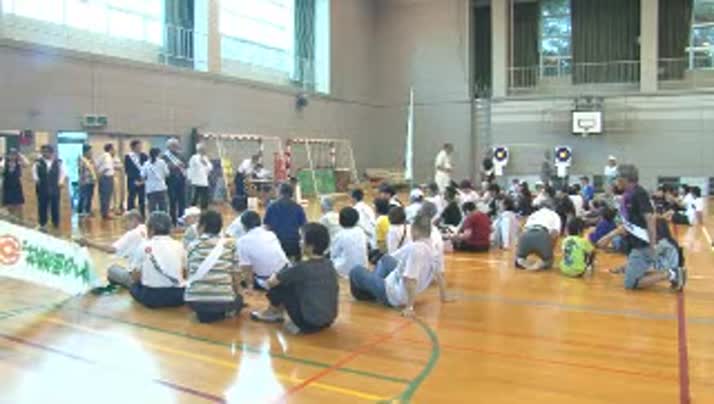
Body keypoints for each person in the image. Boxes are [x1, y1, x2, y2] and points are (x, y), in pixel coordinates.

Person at [349, 213, 453, 317]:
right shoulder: (435, 246)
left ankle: (369, 294)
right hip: (398, 283)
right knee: (386, 260)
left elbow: (410, 279)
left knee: (355, 270)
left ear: (415, 231)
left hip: (393, 296)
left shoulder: (416, 249)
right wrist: (444, 296)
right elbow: (440, 274)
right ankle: (374, 288)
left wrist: (409, 307)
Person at [251, 223, 339, 335]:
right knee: (289, 280)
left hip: (308, 323)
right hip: (328, 320)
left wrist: (275, 275)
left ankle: (273, 313)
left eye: (302, 239)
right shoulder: (329, 264)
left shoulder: (302, 267)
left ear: (310, 246)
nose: (299, 242)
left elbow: (271, 283)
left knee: (281, 283)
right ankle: (277, 312)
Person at [608, 164, 685, 291]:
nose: (616, 181)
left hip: (643, 243)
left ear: (625, 179)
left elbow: (650, 219)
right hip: (637, 243)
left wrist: (652, 245)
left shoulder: (639, 194)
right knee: (634, 272)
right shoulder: (630, 194)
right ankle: (669, 272)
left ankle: (672, 274)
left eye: (617, 178)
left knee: (630, 283)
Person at [106, 212, 186, 308]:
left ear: (151, 230)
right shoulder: (179, 245)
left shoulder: (144, 246)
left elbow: (135, 277)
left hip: (151, 297)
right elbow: (185, 273)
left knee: (115, 271)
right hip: (178, 296)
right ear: (170, 229)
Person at [184, 210, 244, 323]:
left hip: (195, 301)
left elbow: (188, 272)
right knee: (239, 298)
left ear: (202, 226)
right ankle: (227, 311)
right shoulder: (230, 245)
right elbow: (236, 275)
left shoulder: (192, 246)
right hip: (223, 301)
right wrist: (239, 293)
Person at [237, 211, 290, 290]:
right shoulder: (271, 234)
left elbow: (246, 268)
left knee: (240, 277)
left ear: (243, 226)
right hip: (286, 273)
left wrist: (249, 286)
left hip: (268, 280)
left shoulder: (242, 242)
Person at [80, 210, 146, 272]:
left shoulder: (132, 233)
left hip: (137, 274)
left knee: (111, 269)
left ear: (134, 220)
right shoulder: (146, 228)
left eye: (126, 222)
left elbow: (111, 249)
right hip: (147, 271)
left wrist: (89, 243)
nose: (124, 226)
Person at [264, 183, 307, 260]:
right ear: (291, 193)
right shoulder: (298, 208)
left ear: (279, 192)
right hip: (294, 244)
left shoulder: (271, 207)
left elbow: (266, 227)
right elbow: (304, 227)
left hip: (276, 244)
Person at [515, 200, 561, 271]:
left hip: (525, 235)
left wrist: (519, 246)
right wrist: (549, 250)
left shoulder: (534, 214)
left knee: (520, 257)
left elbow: (521, 229)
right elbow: (555, 233)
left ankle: (520, 260)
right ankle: (540, 264)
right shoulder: (554, 215)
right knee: (549, 260)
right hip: (541, 235)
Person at [33, 145, 66, 230]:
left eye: (47, 152)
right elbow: (34, 172)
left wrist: (60, 182)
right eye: (43, 152)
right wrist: (36, 179)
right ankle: (42, 223)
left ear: (51, 152)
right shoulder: (38, 162)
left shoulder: (58, 162)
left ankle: (55, 223)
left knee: (55, 206)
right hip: (42, 187)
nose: (45, 153)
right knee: (42, 206)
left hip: (55, 187)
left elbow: (63, 173)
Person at [331, 207, 368, 278]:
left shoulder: (339, 235)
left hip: (343, 270)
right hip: (362, 268)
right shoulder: (361, 231)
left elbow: (334, 254)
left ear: (340, 221)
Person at [163, 138, 188, 225]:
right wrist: (172, 166)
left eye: (176, 145)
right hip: (171, 181)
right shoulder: (164, 156)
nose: (176, 147)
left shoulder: (181, 155)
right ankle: (173, 220)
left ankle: (181, 219)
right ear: (168, 146)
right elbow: (163, 167)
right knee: (172, 201)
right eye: (173, 145)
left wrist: (183, 165)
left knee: (182, 201)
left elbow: (186, 165)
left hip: (181, 180)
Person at [2, 148, 30, 218]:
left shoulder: (18, 162)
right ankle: (11, 217)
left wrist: (21, 156)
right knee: (9, 204)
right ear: (8, 155)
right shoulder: (4, 162)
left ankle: (19, 218)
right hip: (7, 185)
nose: (12, 156)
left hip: (16, 185)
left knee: (19, 204)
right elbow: (1, 169)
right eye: (11, 154)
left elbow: (27, 164)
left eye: (14, 154)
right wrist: (5, 159)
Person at [141, 147, 169, 214]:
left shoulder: (146, 164)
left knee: (152, 208)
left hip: (150, 189)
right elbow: (167, 173)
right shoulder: (162, 162)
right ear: (158, 154)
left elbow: (143, 175)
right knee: (163, 208)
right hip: (161, 187)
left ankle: (152, 220)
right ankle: (164, 220)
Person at [125, 140, 148, 217]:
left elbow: (147, 168)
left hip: (142, 180)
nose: (140, 147)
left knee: (142, 199)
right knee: (131, 198)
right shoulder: (128, 156)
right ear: (133, 147)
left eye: (140, 146)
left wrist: (143, 180)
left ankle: (142, 215)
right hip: (132, 180)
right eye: (138, 146)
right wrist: (135, 180)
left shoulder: (144, 156)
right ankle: (130, 215)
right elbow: (127, 170)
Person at [188, 143, 213, 209]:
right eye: (202, 149)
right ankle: (192, 209)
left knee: (205, 197)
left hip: (204, 181)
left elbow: (210, 167)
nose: (203, 150)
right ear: (198, 150)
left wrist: (205, 163)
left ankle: (204, 210)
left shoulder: (205, 158)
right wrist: (189, 178)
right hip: (196, 181)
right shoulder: (194, 157)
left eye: (204, 149)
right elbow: (190, 168)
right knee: (195, 197)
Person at [96, 143, 117, 220]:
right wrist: (100, 175)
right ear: (111, 149)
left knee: (103, 196)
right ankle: (106, 213)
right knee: (106, 196)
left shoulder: (103, 156)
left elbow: (96, 164)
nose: (115, 151)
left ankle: (104, 212)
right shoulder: (107, 156)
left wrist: (99, 175)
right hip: (107, 177)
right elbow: (106, 167)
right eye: (114, 149)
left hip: (104, 178)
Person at [77, 145, 96, 218]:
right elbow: (80, 171)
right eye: (90, 151)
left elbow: (94, 169)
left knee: (89, 197)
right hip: (84, 181)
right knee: (83, 196)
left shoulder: (90, 160)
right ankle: (80, 212)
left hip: (91, 181)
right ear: (85, 152)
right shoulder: (81, 159)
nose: (91, 153)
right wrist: (81, 181)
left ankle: (87, 211)